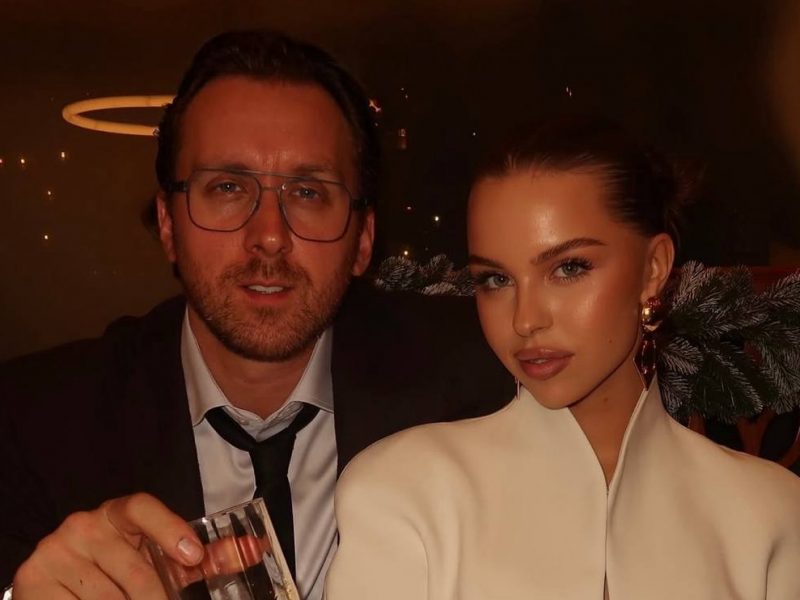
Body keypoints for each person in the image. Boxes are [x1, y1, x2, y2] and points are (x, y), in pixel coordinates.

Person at [0, 30, 512, 599]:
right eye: (227, 187)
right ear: (168, 224)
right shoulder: (36, 425)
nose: (269, 236)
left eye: (309, 192)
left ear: (363, 240)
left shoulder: (480, 376)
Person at [325, 117, 800, 599]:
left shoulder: (769, 516)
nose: (525, 319)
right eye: (495, 280)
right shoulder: (402, 494)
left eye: (569, 268)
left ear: (653, 268)